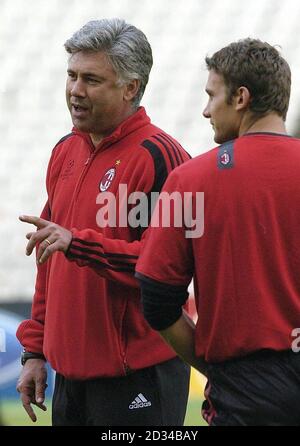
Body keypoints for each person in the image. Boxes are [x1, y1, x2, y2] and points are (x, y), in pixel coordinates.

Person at [16, 18, 191, 426]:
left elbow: (165, 269)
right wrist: (36, 351)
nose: (75, 90)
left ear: (130, 88)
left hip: (139, 378)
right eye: (72, 76)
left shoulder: (159, 157)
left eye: (91, 80)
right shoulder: (65, 151)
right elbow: (48, 257)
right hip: (71, 380)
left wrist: (78, 244)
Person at [136, 38, 300, 426]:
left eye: (212, 95)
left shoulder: (190, 179)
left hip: (243, 391)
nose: (206, 110)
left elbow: (157, 299)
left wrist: (214, 368)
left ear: (241, 97)